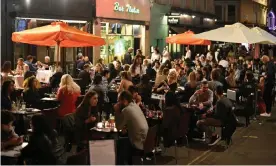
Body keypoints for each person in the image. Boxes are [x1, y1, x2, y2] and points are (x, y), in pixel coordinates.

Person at [114, 91, 149, 164]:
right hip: (147, 140)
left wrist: (116, 111)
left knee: (119, 144)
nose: (118, 103)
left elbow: (118, 127)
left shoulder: (126, 110)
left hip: (139, 143)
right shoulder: (135, 105)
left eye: (118, 101)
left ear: (124, 101)